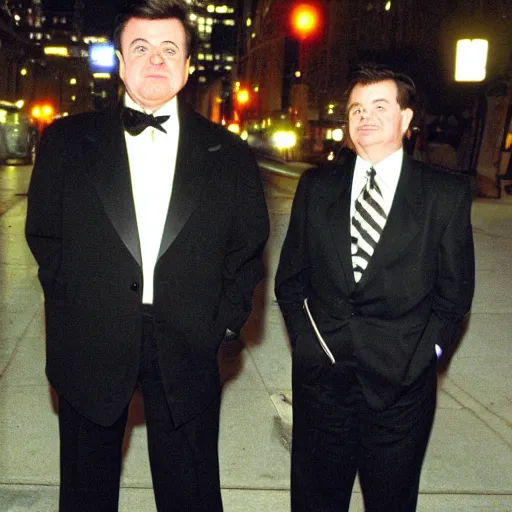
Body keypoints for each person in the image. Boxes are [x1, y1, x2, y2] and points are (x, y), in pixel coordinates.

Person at [25, 0, 269, 510]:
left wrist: (223, 325)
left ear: (187, 65)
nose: (155, 60)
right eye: (141, 47)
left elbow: (247, 251)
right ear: (119, 58)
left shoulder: (231, 155)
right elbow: (46, 239)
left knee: (191, 492)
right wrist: (74, 306)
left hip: (188, 345)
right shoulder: (66, 143)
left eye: (168, 49)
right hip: (88, 346)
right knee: (86, 492)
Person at [275, 66, 475, 512]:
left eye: (379, 107)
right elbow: (290, 281)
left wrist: (428, 358)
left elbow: (454, 296)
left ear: (406, 120)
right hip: (322, 382)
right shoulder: (316, 186)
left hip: (401, 388)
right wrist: (308, 343)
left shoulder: (444, 194)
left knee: (390, 501)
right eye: (356, 109)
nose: (365, 117)